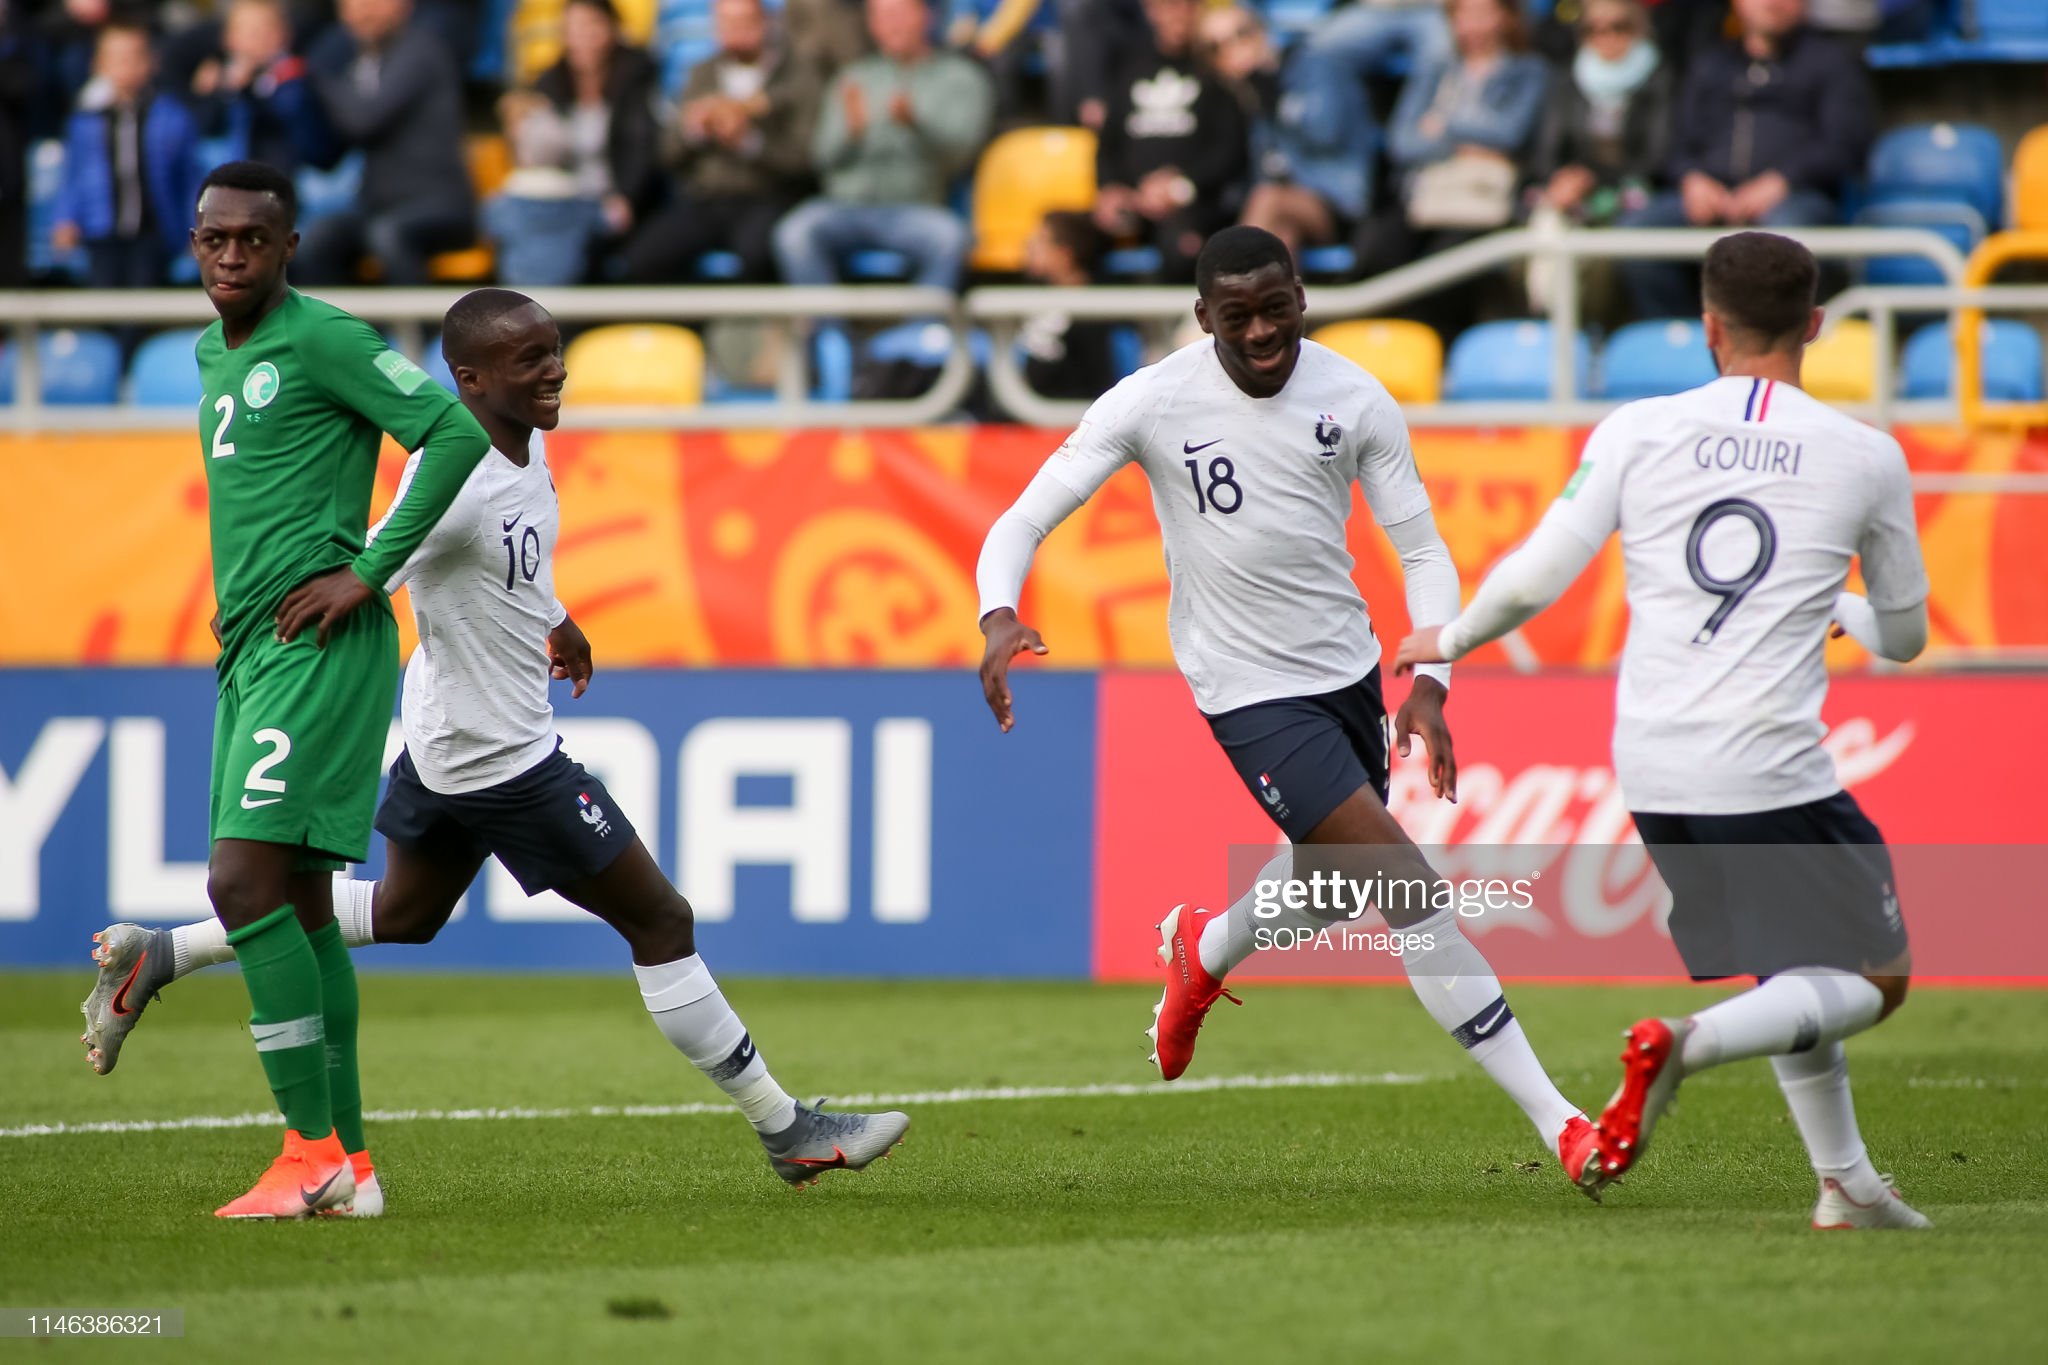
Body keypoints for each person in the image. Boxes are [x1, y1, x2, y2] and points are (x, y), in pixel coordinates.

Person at [80, 287, 914, 1201]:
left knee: (405, 915)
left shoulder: (525, 439)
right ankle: (786, 1127)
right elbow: (378, 560)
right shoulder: (454, 486)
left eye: (554, 351)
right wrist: (351, 582)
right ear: (468, 381)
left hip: (446, 739)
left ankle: (166, 954)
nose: (553, 369)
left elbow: (512, 560)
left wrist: (555, 618)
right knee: (661, 921)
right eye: (529, 361)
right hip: (500, 757)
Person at [974, 226, 1602, 1192]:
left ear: (1303, 296)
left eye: (1279, 308)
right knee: (1406, 888)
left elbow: (1424, 554)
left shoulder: (1355, 398)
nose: (1263, 331)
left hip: (1347, 673)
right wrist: (1000, 612)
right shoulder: (1150, 401)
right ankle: (1562, 1120)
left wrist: (1433, 679)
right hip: (1244, 690)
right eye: (1239, 317)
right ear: (1202, 319)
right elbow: (1022, 518)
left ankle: (1205, 946)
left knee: (1335, 878)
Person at [1394, 232, 1933, 1229]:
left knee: (1794, 974)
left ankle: (1843, 1183)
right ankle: (1685, 1043)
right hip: (1769, 764)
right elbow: (1903, 636)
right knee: (1872, 977)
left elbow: (1538, 573)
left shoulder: (1636, 429)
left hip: (1647, 763)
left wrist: (1451, 636)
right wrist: (1843, 611)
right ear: (1814, 326)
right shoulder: (1863, 454)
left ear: (1705, 328)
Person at [93, 160, 492, 1219]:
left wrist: (366, 571)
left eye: (252, 242)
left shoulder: (323, 337)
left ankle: (305, 1151)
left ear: (288, 247)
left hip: (316, 650)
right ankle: (350, 1172)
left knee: (240, 886)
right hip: (251, 654)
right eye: (213, 239)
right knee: (306, 910)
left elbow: (451, 433)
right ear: (195, 243)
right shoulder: (210, 352)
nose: (230, 257)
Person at [1616, 0, 1873, 320]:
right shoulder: (1711, 63)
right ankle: (1682, 342)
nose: (1772, 3)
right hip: (1712, 197)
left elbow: (1846, 146)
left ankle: (1778, 346)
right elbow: (1677, 144)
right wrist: (1692, 179)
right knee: (1637, 231)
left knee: (1785, 235)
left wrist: (1783, 181)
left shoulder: (1832, 62)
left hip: (1796, 198)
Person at [771, 0, 992, 290]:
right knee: (794, 232)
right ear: (871, 24)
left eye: (899, 14)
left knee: (951, 238)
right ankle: (827, 332)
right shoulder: (853, 77)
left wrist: (917, 125)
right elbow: (820, 158)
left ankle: (919, 332)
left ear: (925, 16)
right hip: (846, 208)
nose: (892, 25)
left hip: (915, 209)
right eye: (882, 16)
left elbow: (962, 157)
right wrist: (851, 133)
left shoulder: (959, 77)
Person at [1360, 0, 1546, 334]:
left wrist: (1442, 125)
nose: (1470, 25)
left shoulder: (1528, 71)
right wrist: (1468, 144)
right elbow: (1402, 142)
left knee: (1442, 266)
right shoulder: (1436, 69)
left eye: (1480, 13)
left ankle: (1429, 351)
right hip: (1422, 195)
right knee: (1377, 249)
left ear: (1505, 16)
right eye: (1461, 14)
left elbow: (1511, 134)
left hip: (1482, 200)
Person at [620, 0, 819, 284]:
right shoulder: (702, 73)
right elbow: (667, 154)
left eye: (745, 22)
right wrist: (695, 131)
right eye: (727, 23)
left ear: (766, 23)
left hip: (768, 195)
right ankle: (685, 326)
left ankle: (754, 327)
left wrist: (748, 141)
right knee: (642, 258)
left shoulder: (797, 76)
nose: (736, 32)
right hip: (707, 198)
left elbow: (808, 160)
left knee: (760, 253)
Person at [483, 0, 659, 285]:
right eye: (572, 29)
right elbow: (535, 151)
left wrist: (627, 196)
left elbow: (640, 145)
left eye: (590, 27)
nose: (581, 38)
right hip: (562, 200)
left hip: (610, 202)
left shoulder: (638, 77)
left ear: (612, 29)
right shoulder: (549, 83)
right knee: (509, 216)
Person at [298, 0, 474, 285]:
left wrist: (320, 76)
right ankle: (336, 329)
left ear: (404, 5)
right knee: (318, 239)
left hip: (440, 206)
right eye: (354, 3)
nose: (364, 11)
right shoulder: (360, 62)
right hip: (377, 208)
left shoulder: (420, 51)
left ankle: (418, 329)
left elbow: (365, 119)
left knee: (388, 234)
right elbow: (326, 151)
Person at [1090, 0, 1248, 283]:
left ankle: (1181, 327)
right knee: (1066, 235)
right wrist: (1111, 187)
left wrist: (1179, 186)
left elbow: (1231, 151)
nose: (1174, 14)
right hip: (1133, 201)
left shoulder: (1215, 67)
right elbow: (1107, 145)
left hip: (1194, 206)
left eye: (1183, 6)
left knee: (1184, 246)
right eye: (1164, 6)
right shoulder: (1131, 65)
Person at [1213, 4, 1376, 262]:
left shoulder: (1314, 65)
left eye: (1241, 34)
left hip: (1340, 200)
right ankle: (1268, 302)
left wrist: (1276, 101)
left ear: (1262, 31)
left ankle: (1231, 294)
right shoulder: (1246, 94)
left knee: (1267, 200)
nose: (1233, 49)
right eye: (1216, 47)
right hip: (1289, 209)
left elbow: (1326, 133)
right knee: (1280, 240)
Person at [51, 21, 202, 290]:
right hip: (101, 233)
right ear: (99, 64)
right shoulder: (85, 119)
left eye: (134, 57)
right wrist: (66, 218)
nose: (126, 66)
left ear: (151, 62)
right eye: (116, 58)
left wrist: (197, 228)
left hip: (154, 232)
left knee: (144, 301)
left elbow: (189, 178)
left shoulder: (173, 117)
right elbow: (74, 176)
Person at [1527, 0, 1669, 228]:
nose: (1606, 37)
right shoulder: (1568, 80)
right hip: (1572, 191)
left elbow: (1656, 159)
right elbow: (1547, 152)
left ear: (1638, 28)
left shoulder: (1660, 80)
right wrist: (1565, 179)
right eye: (1592, 29)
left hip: (1635, 192)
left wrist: (1593, 179)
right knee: (1546, 218)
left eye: (1618, 26)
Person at [189, 0, 338, 176]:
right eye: (248, 32)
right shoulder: (223, 83)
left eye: (266, 31)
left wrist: (251, 91)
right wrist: (212, 93)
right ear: (228, 39)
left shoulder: (295, 77)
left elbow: (308, 138)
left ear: (285, 35)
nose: (257, 39)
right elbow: (204, 129)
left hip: (284, 179)